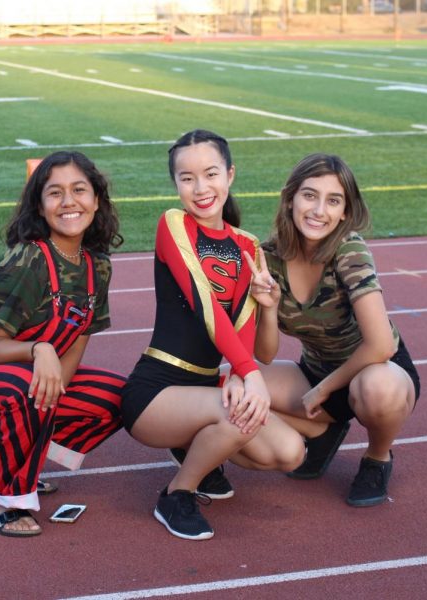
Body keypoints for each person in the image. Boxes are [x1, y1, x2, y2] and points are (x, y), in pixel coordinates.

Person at [0, 151, 125, 537]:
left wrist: (52, 397)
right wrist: (38, 350)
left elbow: (78, 341)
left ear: (96, 199)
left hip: (21, 378)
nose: (68, 202)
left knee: (120, 397)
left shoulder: (97, 266)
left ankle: (8, 459)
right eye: (55, 193)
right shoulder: (26, 259)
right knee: (27, 390)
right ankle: (7, 499)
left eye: (79, 190)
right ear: (40, 205)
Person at [121, 129, 304, 541]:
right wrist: (247, 375)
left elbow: (263, 350)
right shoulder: (174, 223)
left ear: (230, 175)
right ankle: (176, 493)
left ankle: (194, 447)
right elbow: (206, 304)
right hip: (156, 391)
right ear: (176, 185)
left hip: (206, 389)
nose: (201, 188)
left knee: (289, 452)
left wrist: (269, 309)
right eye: (187, 178)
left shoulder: (247, 245)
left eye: (211, 174)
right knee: (241, 412)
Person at [248, 153, 421, 507]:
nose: (319, 210)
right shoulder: (269, 257)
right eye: (309, 195)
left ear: (345, 211)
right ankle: (324, 432)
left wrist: (322, 391)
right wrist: (267, 310)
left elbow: (380, 345)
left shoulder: (350, 250)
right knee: (232, 387)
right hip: (315, 372)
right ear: (290, 198)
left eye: (333, 200)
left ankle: (377, 457)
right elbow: (263, 355)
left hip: (376, 371)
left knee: (377, 388)